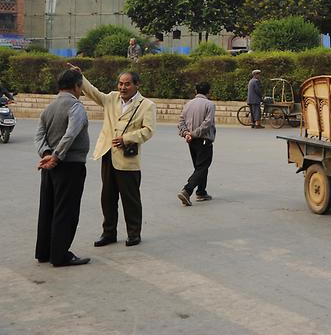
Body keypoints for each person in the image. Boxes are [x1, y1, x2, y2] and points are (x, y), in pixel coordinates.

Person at [68, 65, 156, 248]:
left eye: (127, 84)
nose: (122, 88)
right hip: (108, 154)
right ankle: (109, 233)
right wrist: (80, 76)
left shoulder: (147, 105)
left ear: (137, 85)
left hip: (128, 160)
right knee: (107, 197)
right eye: (120, 84)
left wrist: (127, 138)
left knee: (130, 199)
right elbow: (93, 93)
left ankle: (134, 233)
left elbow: (148, 131)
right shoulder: (111, 99)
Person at [34, 69, 91, 267]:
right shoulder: (76, 106)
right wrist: (57, 157)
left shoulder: (49, 107)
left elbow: (39, 135)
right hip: (70, 166)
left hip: (50, 167)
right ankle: (60, 255)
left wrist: (46, 154)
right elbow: (71, 133)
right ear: (76, 86)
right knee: (66, 211)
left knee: (48, 208)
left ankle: (44, 252)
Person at [176, 82, 216, 206]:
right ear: (208, 92)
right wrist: (193, 133)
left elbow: (181, 121)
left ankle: (201, 192)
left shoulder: (188, 104)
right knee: (202, 166)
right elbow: (207, 123)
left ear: (195, 91)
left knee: (199, 167)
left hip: (191, 141)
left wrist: (186, 133)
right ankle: (187, 190)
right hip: (203, 139)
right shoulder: (210, 104)